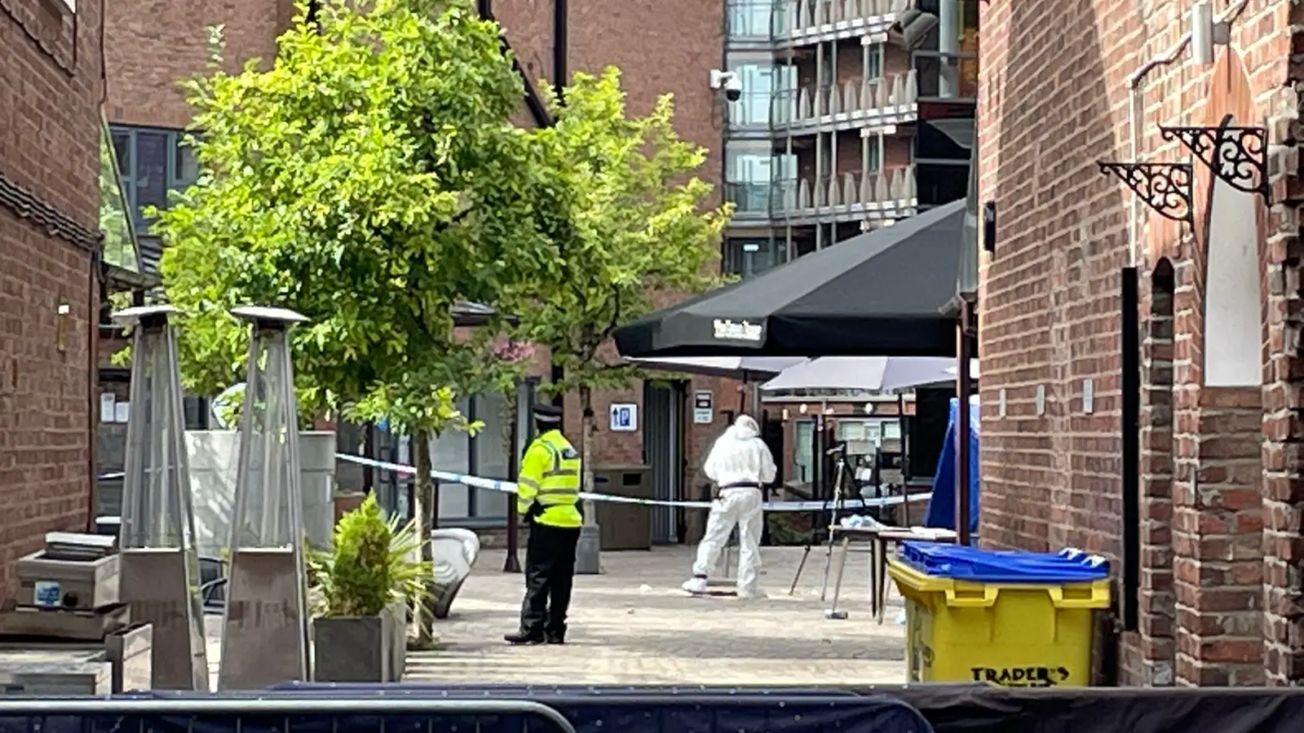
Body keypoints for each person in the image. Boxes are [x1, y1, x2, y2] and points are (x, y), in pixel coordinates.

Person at [505, 404, 583, 645]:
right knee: (562, 577)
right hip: (571, 520)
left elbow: (528, 486)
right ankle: (556, 628)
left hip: (546, 519)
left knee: (538, 575)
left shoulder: (539, 449)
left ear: (538, 424)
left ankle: (532, 627)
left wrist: (522, 510)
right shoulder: (569, 449)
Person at [682, 414, 776, 599]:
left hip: (727, 491)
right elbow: (769, 475)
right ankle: (747, 587)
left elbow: (710, 470)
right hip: (751, 492)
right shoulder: (758, 445)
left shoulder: (722, 443)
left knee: (714, 537)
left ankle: (700, 578)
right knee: (750, 541)